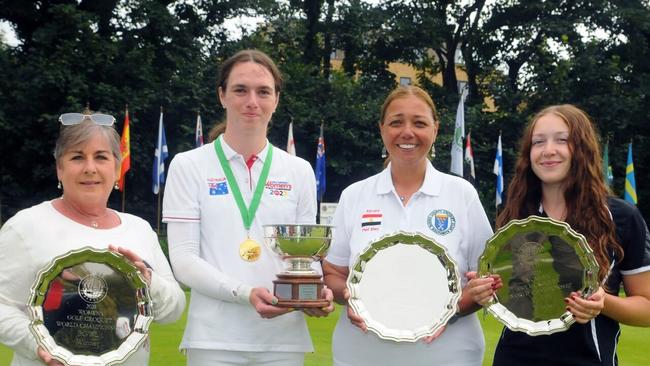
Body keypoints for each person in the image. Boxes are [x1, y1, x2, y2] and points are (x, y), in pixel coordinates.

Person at [162, 49, 334, 366]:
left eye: (263, 91)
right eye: (240, 90)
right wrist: (245, 292)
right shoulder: (188, 165)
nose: (251, 101)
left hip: (283, 341)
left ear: (276, 99)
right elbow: (183, 261)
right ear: (222, 96)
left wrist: (315, 293)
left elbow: (305, 258)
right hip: (213, 340)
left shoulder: (299, 171)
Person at [322, 85, 494, 366]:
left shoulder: (461, 194)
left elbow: (486, 279)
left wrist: (452, 310)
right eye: (396, 122)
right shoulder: (355, 196)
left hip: (448, 355)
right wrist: (350, 297)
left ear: (435, 129)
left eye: (419, 123)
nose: (407, 132)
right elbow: (332, 272)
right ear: (382, 129)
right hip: (363, 355)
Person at [0, 112, 186, 366]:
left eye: (101, 157)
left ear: (116, 167)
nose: (90, 168)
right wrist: (41, 347)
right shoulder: (26, 226)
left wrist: (148, 282)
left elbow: (174, 311)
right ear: (60, 169)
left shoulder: (140, 229)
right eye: (77, 157)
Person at [479, 104, 650, 366]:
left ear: (582, 148)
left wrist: (603, 303)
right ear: (529, 153)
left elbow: (646, 308)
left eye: (562, 140)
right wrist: (484, 289)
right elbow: (509, 291)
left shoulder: (621, 217)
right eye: (538, 142)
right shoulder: (514, 212)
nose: (548, 150)